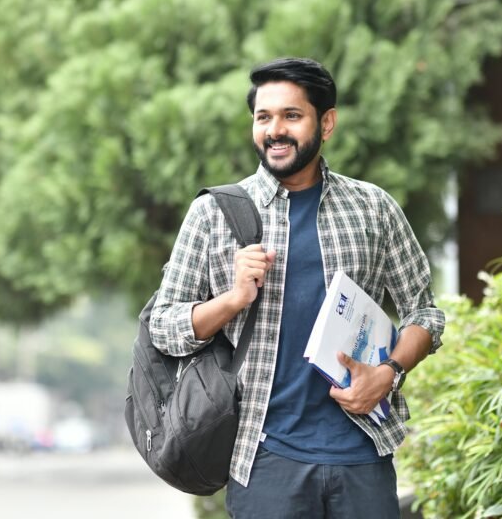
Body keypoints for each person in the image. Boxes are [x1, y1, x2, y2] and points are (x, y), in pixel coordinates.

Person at [150, 57, 445, 518]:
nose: (275, 130)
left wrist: (388, 372)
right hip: (266, 461)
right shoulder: (214, 214)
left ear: (326, 123)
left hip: (363, 457)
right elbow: (163, 328)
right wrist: (231, 300)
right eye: (263, 117)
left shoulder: (374, 208)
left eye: (291, 115)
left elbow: (425, 314)